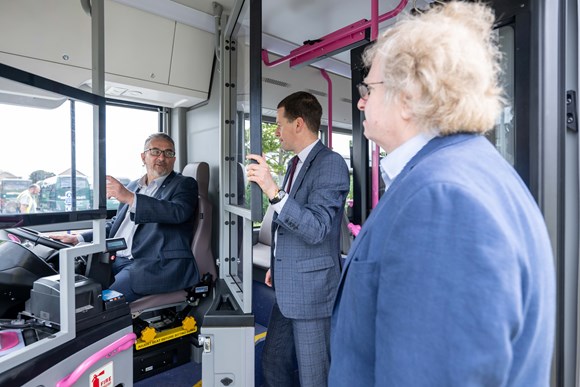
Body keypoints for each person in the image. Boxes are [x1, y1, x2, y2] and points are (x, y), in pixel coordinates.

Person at [329, 2, 555, 386]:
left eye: (369, 87)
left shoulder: (443, 200)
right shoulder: (465, 172)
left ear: (409, 96)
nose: (362, 100)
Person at [246, 91, 349, 387]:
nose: (276, 132)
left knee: (313, 375)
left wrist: (272, 190)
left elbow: (317, 228)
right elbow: (286, 224)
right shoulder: (294, 164)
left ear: (299, 124)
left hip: (313, 291)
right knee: (273, 361)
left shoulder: (330, 164)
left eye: (279, 124)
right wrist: (277, 265)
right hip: (288, 284)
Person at [51, 133, 200, 303]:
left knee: (97, 304)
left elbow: (177, 212)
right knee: (71, 288)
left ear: (174, 159)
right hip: (115, 258)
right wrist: (78, 237)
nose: (162, 157)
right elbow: (115, 225)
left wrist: (130, 198)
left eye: (168, 153)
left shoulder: (184, 184)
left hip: (153, 264)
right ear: (143, 157)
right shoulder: (133, 186)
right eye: (155, 151)